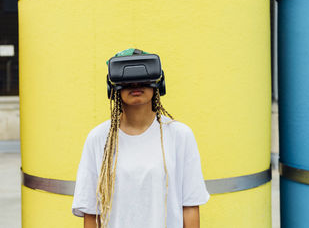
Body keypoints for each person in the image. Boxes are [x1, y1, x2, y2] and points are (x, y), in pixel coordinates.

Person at [72, 49, 210, 228]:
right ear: (112, 87)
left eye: (144, 78)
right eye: (127, 80)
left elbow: (190, 205)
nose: (136, 84)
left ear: (158, 83)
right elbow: (91, 212)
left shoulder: (180, 136)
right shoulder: (98, 139)